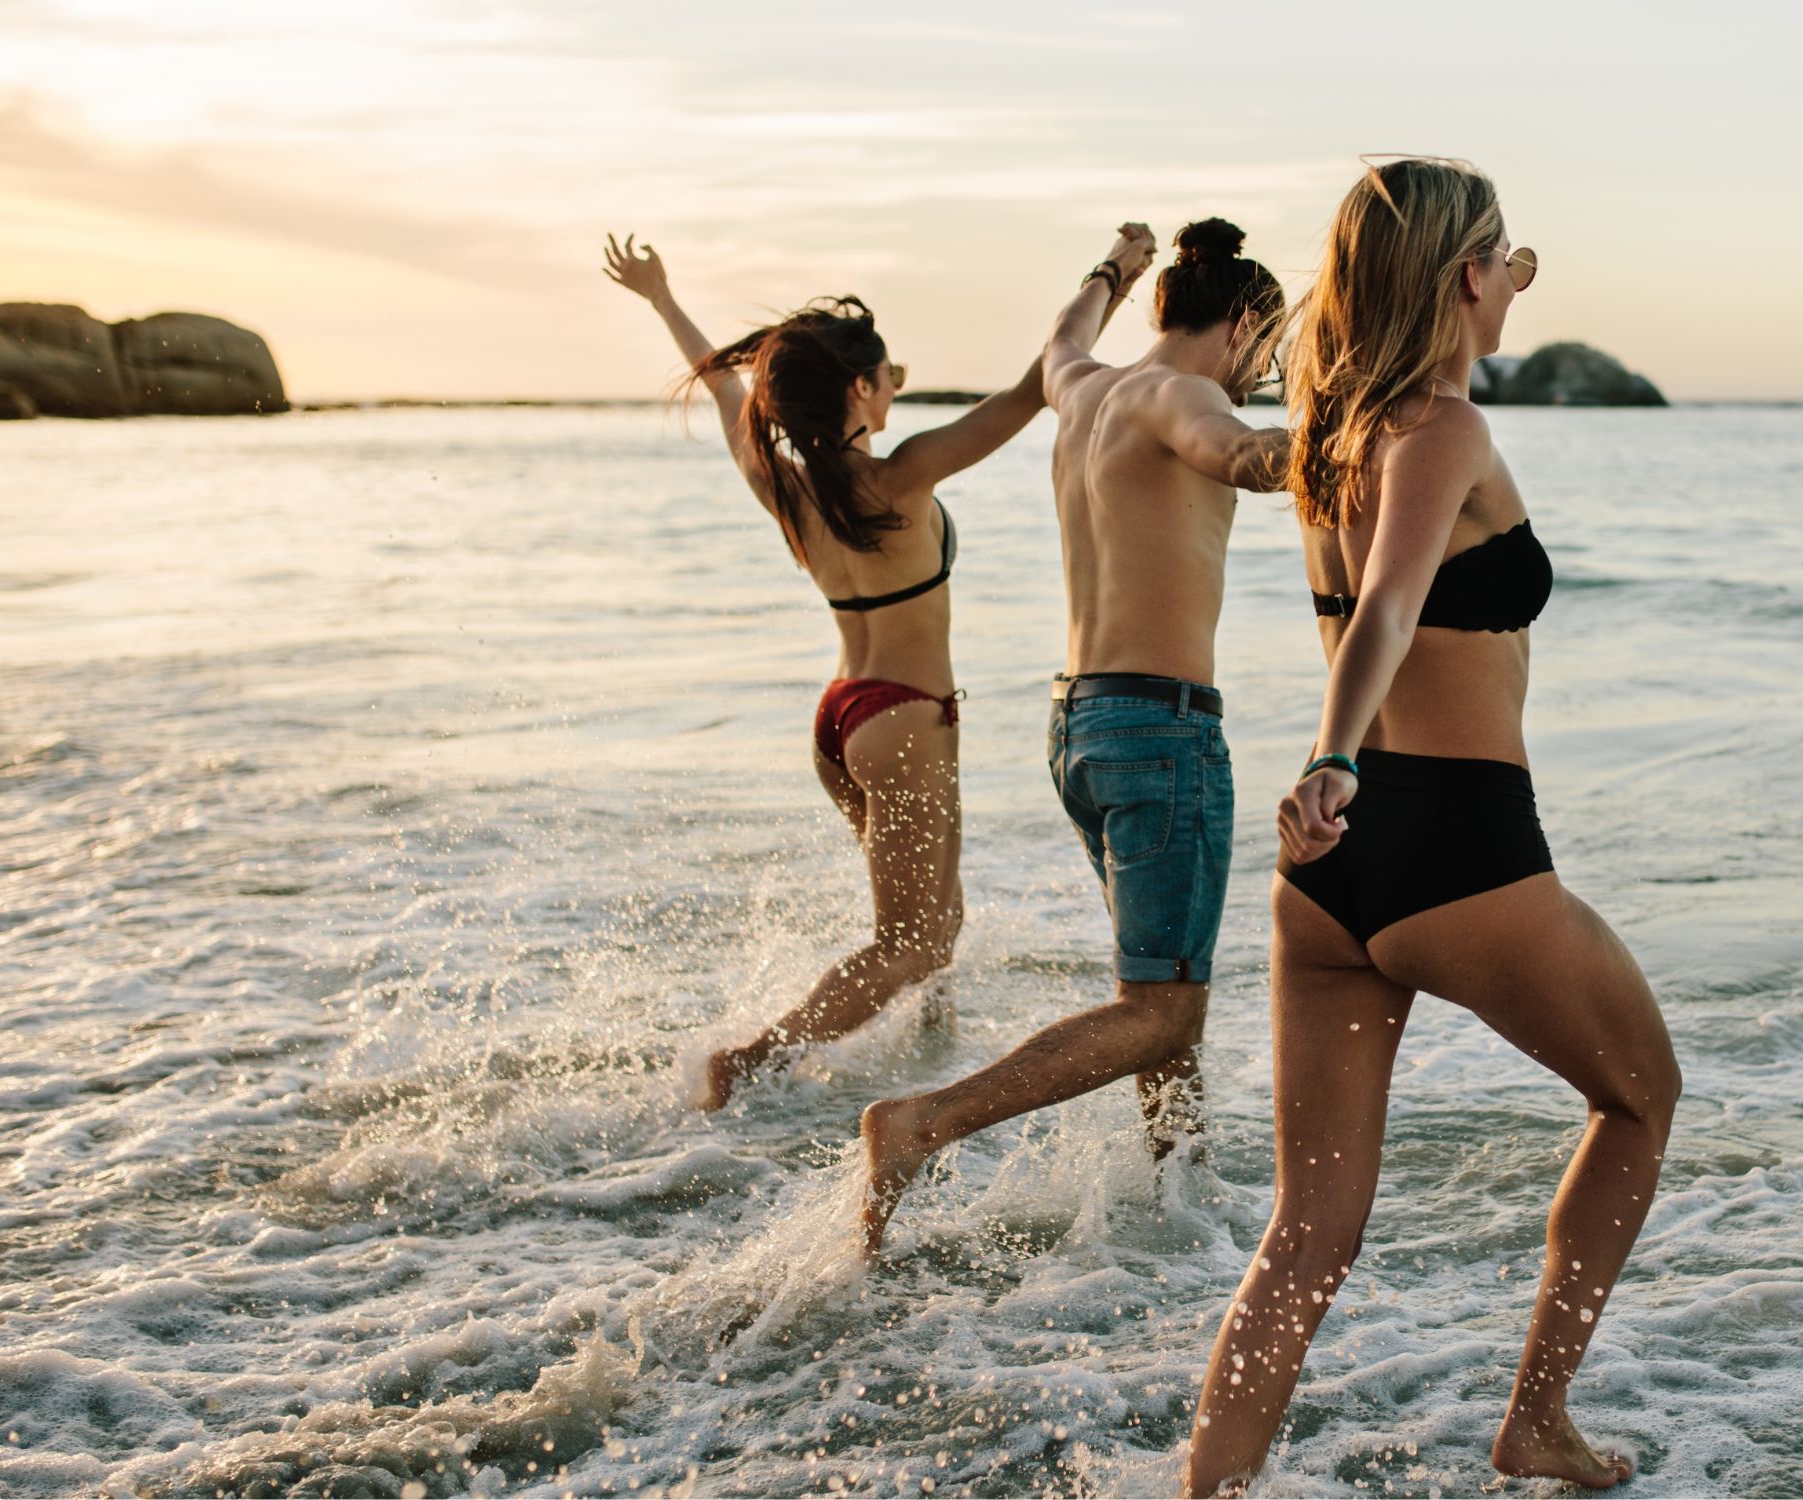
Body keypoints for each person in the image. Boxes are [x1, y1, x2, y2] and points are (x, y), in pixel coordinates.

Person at [1180, 160, 1679, 1495]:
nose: (1520, 281)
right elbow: (1395, 608)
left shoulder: (1331, 439)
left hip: (1331, 882)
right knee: (1640, 1098)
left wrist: (1336, 779)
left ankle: (1206, 1491)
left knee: (1306, 1234)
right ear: (1468, 274)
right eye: (1509, 260)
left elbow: (1376, 601)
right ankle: (1538, 1419)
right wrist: (1333, 753)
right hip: (1462, 850)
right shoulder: (1442, 430)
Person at [601, 231, 1133, 1111]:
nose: (898, 387)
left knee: (935, 924)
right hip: (906, 721)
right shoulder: (902, 476)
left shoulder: (785, 484)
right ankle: (750, 1062)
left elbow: (722, 382)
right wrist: (1112, 273)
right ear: (859, 388)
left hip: (843, 719)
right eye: (890, 376)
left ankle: (927, 1061)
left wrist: (661, 297)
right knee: (911, 944)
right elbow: (1043, 381)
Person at [854, 218, 1291, 1249]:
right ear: (1238, 324)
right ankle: (923, 1124)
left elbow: (1061, 331)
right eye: (1267, 346)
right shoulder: (1186, 395)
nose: (1266, 368)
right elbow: (1239, 455)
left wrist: (1111, 269)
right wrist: (1361, 432)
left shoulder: (1083, 383)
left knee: (1160, 983)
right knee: (1163, 1009)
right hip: (1160, 729)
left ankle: (1180, 1195)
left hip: (1080, 725)